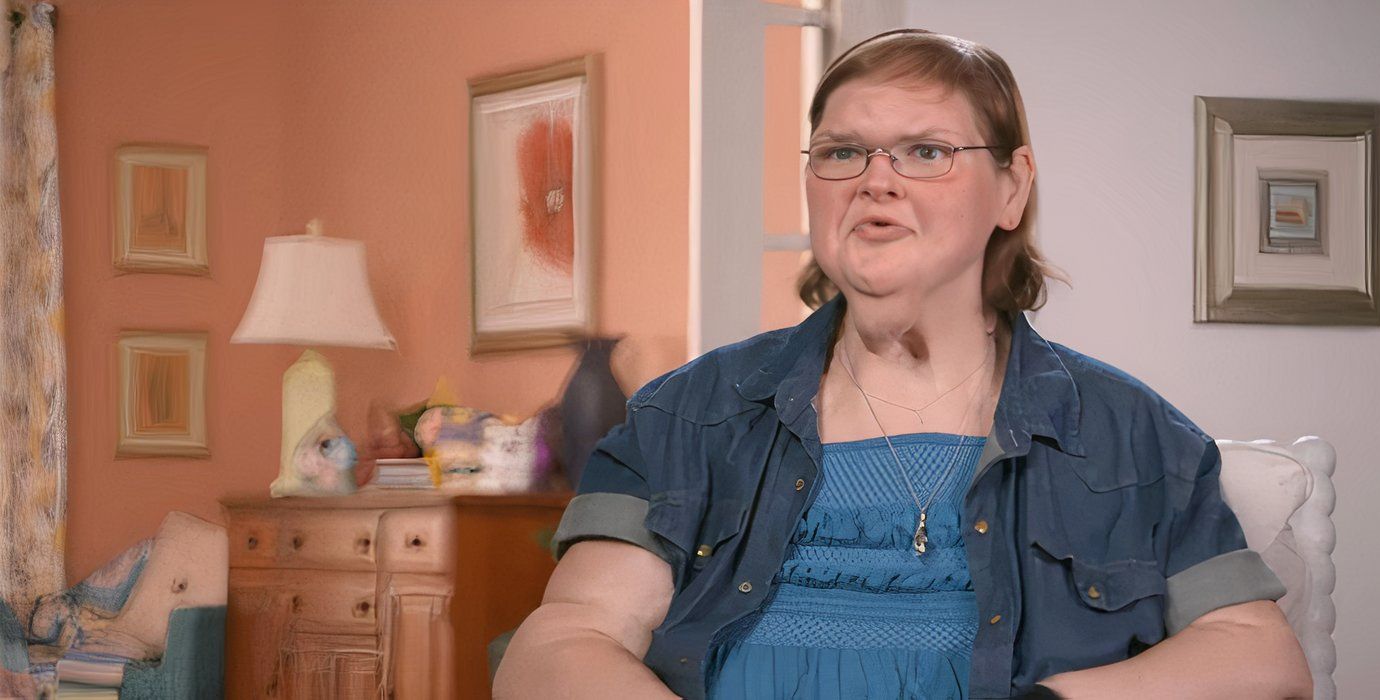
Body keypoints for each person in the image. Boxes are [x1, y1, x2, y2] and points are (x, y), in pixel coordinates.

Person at [495, 29, 1313, 699]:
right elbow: (563, 642)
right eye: (842, 152)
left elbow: (1258, 654)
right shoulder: (688, 414)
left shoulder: (1126, 432)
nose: (875, 181)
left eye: (924, 151)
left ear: (1012, 187)